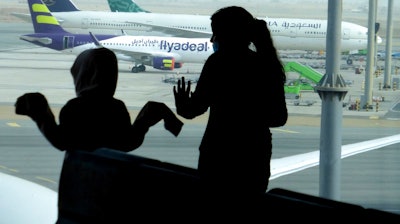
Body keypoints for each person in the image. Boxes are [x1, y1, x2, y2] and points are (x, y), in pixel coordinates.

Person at [173, 6, 288, 214]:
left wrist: (183, 106)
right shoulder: (266, 65)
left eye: (215, 32)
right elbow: (279, 118)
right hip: (254, 155)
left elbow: (194, 109)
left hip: (218, 152)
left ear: (227, 34)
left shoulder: (218, 63)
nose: (212, 39)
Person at [15, 47, 183, 152]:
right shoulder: (116, 108)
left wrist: (40, 111)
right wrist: (145, 120)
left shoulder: (75, 107)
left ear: (81, 76)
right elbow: (127, 143)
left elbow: (62, 141)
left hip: (78, 180)